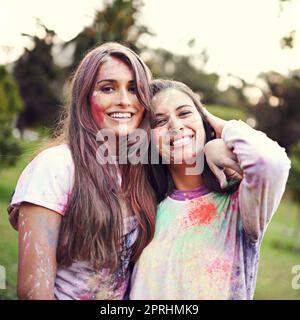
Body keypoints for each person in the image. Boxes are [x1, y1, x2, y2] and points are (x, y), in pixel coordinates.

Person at [7, 42, 157, 300]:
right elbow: (33, 293)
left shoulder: (144, 169)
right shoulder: (56, 166)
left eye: (134, 89)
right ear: (84, 97)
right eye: (107, 88)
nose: (124, 100)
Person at [130, 79, 291, 300]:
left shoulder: (239, 204)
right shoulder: (141, 209)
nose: (175, 126)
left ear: (204, 121)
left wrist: (222, 130)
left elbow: (270, 163)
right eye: (159, 121)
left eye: (185, 113)